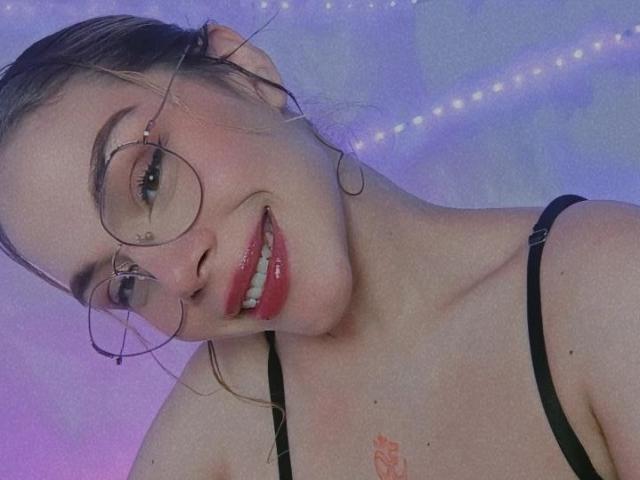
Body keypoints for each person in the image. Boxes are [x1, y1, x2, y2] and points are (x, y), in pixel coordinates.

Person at [1, 13, 638, 480]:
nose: (176, 275)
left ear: (247, 71)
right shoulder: (212, 450)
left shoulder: (602, 289)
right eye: (124, 285)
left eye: (148, 181)